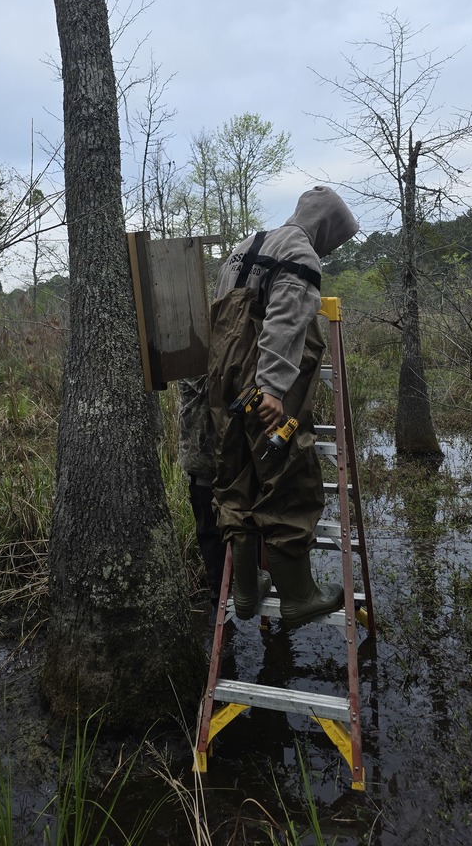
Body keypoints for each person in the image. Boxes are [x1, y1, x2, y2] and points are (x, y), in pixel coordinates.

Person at [206, 186, 359, 627]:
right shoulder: (300, 253)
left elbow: (221, 313)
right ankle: (298, 595)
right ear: (325, 226)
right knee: (285, 471)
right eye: (335, 238)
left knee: (235, 474)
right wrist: (272, 387)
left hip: (224, 377)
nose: (331, 248)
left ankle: (247, 589)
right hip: (262, 379)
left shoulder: (245, 246)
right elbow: (285, 320)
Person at [177, 375, 225, 608]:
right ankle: (218, 597)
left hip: (232, 456)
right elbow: (215, 383)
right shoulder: (190, 355)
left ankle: (249, 584)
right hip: (202, 458)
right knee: (209, 530)